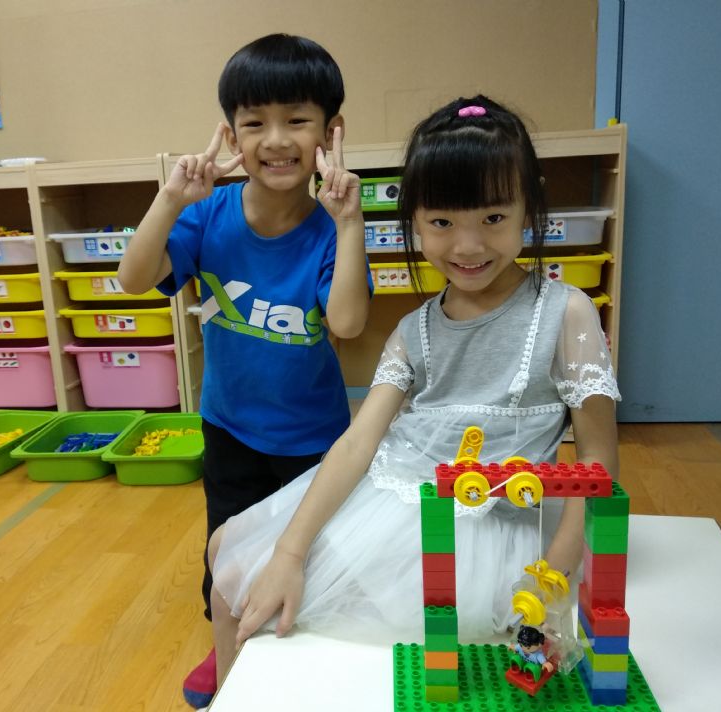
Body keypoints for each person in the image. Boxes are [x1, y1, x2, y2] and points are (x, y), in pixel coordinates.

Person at [206, 95, 621, 692]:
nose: (468, 246)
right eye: (442, 223)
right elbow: (357, 445)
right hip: (391, 497)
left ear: (529, 208)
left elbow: (597, 463)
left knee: (313, 619)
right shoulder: (413, 330)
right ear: (415, 222)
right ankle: (228, 692)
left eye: (493, 218)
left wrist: (553, 579)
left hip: (483, 529)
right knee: (228, 549)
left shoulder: (566, 312)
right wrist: (290, 554)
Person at [116, 33, 371, 708]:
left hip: (315, 439)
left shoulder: (331, 229)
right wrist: (171, 200)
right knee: (225, 554)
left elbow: (347, 323)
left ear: (331, 132)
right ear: (231, 135)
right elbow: (132, 279)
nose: (276, 140)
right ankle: (226, 640)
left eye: (297, 120)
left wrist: (350, 226)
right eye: (255, 123)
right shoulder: (209, 217)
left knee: (308, 554)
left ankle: (296, 642)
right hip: (229, 429)